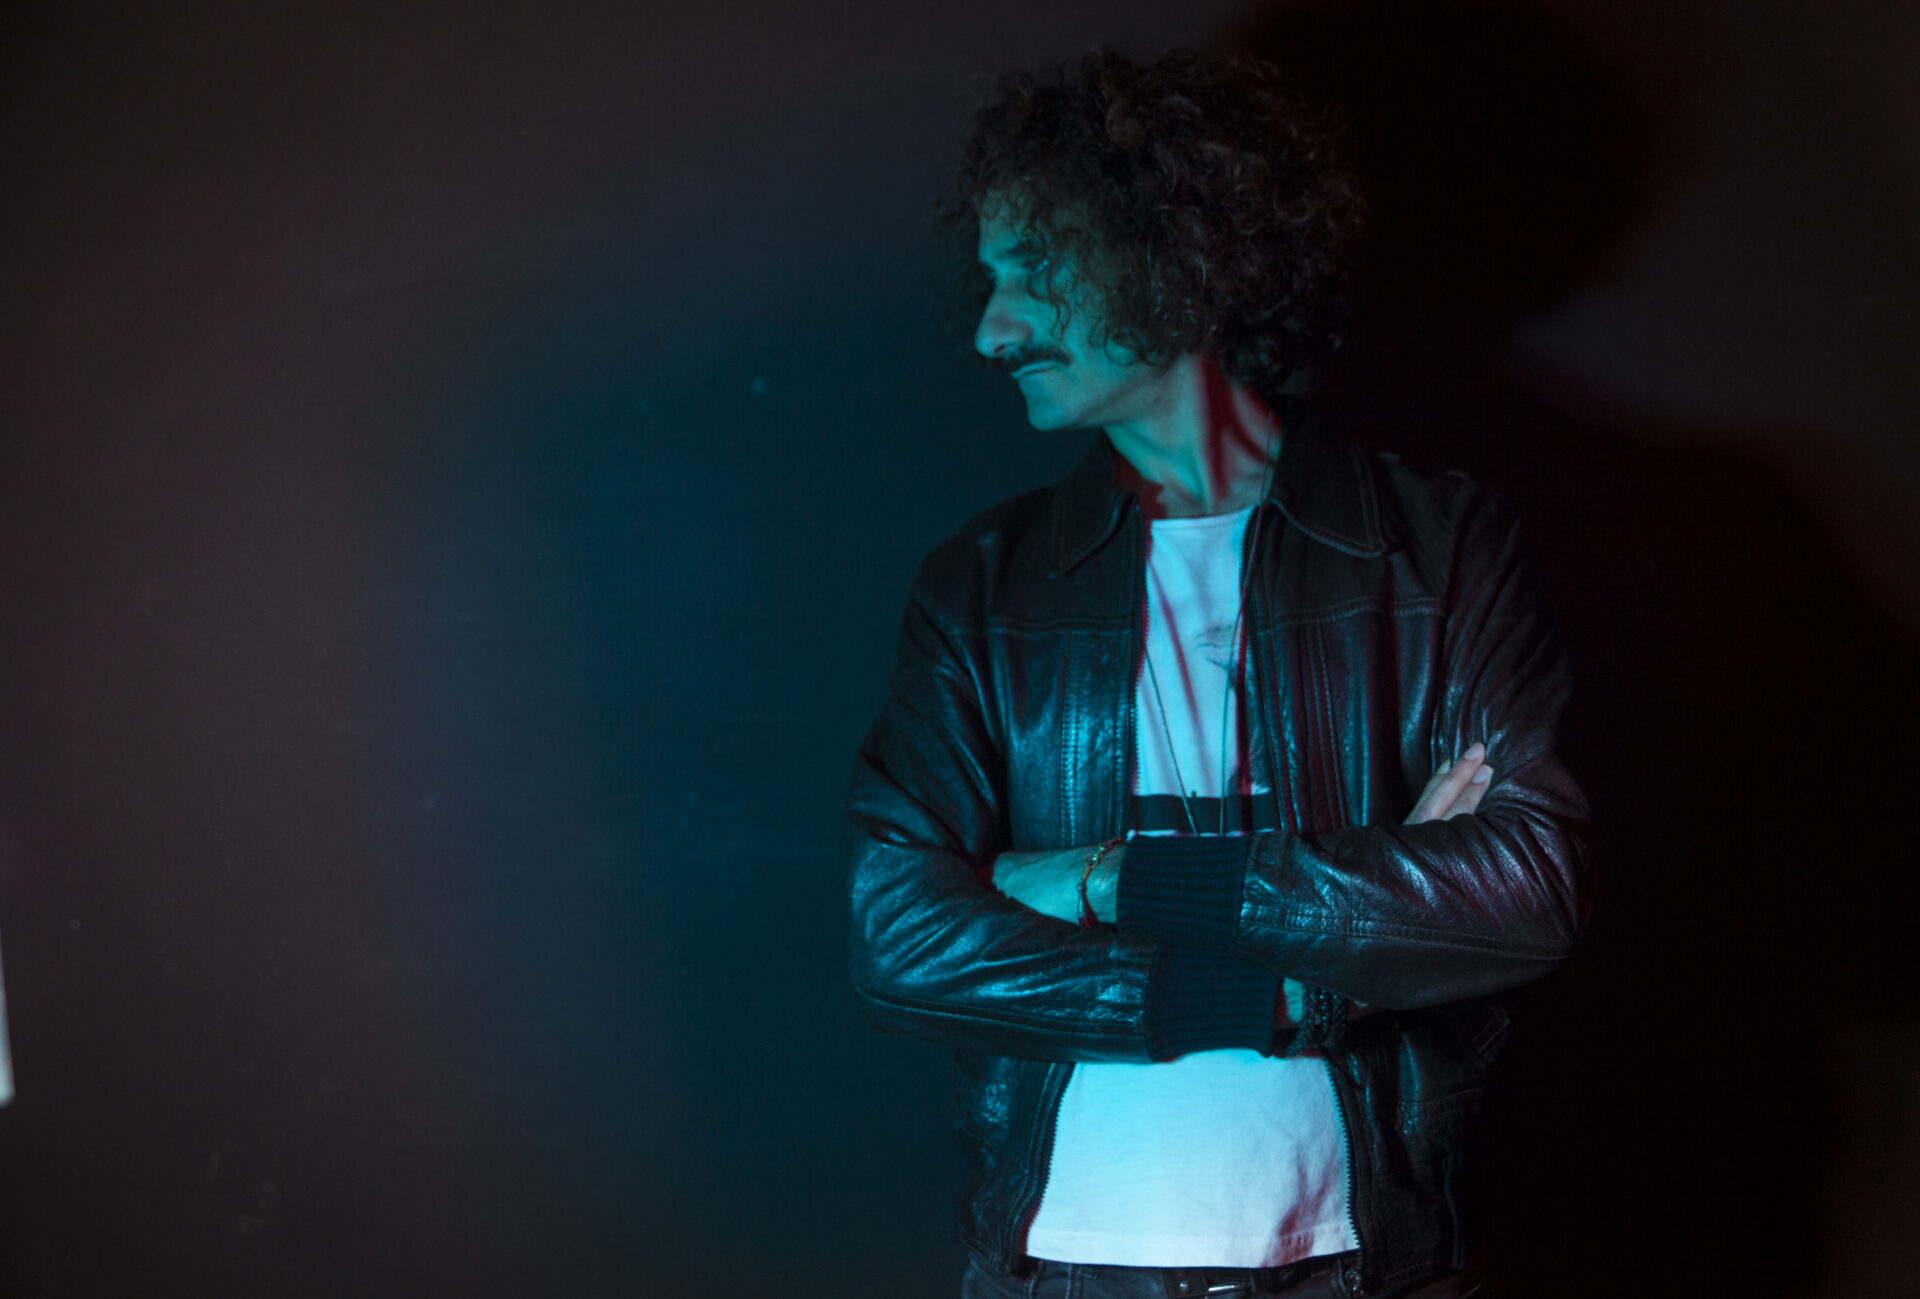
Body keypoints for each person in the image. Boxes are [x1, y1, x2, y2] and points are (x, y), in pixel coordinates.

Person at [848, 48, 1590, 1299]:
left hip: (1369, 1265)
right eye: (990, 280)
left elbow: (1526, 888)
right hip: (1061, 1271)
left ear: (1176, 256)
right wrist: (1312, 976)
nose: (992, 329)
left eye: (1033, 273)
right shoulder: (983, 585)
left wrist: (1103, 878)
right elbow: (902, 937)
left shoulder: (1437, 548)